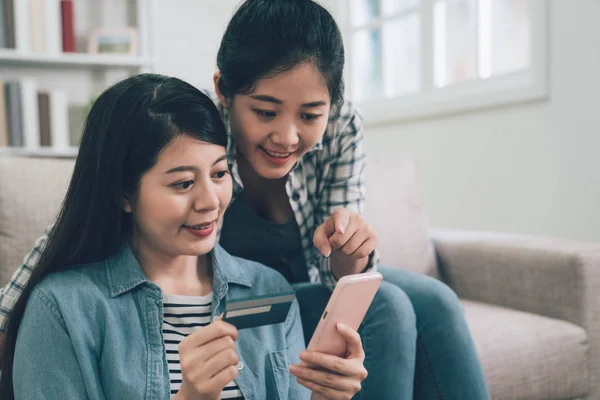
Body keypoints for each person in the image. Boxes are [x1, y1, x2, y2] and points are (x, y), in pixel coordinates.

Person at [0, 0, 490, 398]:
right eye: (265, 111)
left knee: (433, 301)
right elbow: (80, 224)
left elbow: (336, 274)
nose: (286, 136)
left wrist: (350, 259)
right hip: (237, 290)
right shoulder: (198, 132)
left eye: (310, 114)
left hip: (282, 286)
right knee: (391, 310)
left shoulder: (340, 129)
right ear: (225, 94)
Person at [0, 74, 368, 400]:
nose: (210, 201)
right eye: (183, 183)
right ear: (123, 193)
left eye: (220, 173)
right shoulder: (64, 309)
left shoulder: (268, 291)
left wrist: (328, 397)